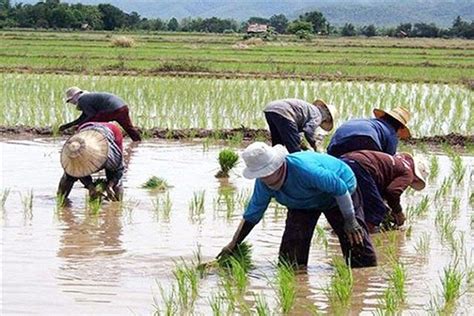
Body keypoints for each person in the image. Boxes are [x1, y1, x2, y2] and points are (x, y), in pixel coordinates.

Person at [218, 142, 377, 268]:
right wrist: (234, 243)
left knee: (355, 243)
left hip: (339, 195)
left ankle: (363, 279)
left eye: (268, 172)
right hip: (302, 203)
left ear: (278, 164)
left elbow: (339, 188)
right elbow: (253, 214)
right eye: (261, 175)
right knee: (290, 259)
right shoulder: (263, 185)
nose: (265, 178)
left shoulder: (305, 170)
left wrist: (350, 220)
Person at [340, 150, 429, 233]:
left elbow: (377, 194)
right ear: (416, 178)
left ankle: (340, 231)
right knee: (376, 210)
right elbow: (392, 192)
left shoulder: (397, 163)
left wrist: (388, 212)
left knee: (351, 202)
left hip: (345, 160)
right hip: (362, 166)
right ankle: (362, 236)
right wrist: (398, 212)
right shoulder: (408, 173)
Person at [57, 122, 125, 202]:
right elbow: (78, 172)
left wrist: (110, 185)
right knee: (69, 175)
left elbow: (119, 169)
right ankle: (61, 200)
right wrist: (90, 186)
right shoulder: (73, 153)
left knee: (115, 182)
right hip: (85, 131)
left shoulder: (109, 156)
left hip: (111, 131)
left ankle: (118, 204)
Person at [59, 87, 142, 141]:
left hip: (111, 110)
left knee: (90, 125)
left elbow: (91, 116)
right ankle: (137, 142)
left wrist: (79, 126)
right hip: (122, 107)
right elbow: (84, 117)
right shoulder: (87, 98)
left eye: (70, 100)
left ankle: (96, 142)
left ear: (74, 96)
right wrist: (67, 125)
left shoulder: (82, 100)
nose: (71, 103)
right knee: (129, 128)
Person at [327, 106, 410, 157]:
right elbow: (389, 161)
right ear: (400, 128)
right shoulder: (391, 134)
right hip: (367, 140)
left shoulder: (367, 121)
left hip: (337, 142)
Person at [264, 99, 337, 153]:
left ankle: (276, 164)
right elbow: (308, 131)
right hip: (285, 112)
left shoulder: (311, 109)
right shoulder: (318, 116)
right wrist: (314, 146)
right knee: (294, 150)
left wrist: (304, 146)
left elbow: (296, 132)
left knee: (278, 143)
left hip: (270, 109)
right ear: (327, 118)